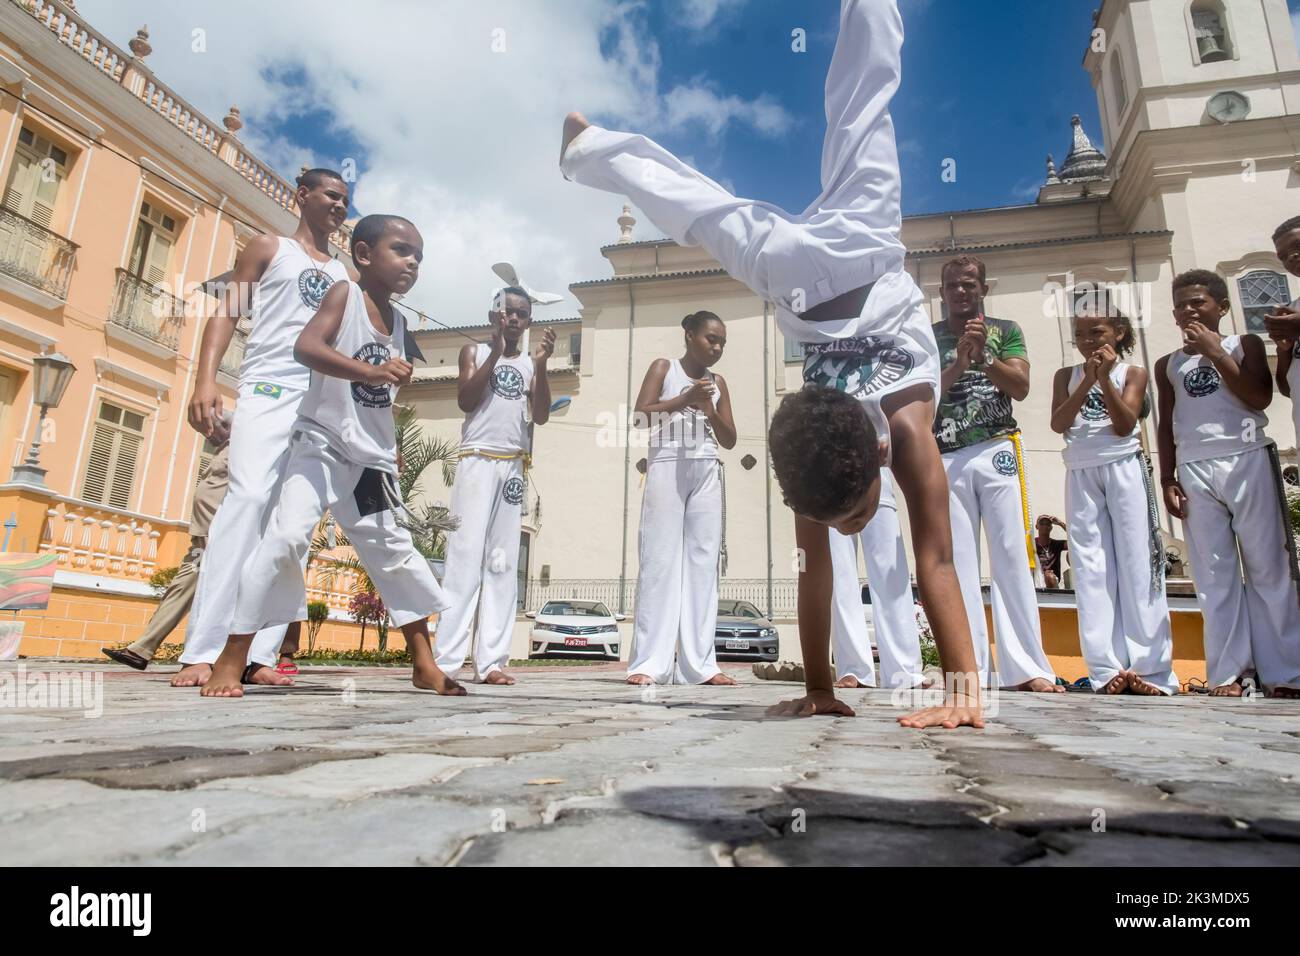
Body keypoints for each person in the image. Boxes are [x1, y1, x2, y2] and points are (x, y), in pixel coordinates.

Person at [560, 0, 982, 729]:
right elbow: (925, 562)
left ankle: (592, 148)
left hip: (860, 251)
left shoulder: (867, 443)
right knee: (711, 207)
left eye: (847, 515)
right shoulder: (853, 446)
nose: (851, 529)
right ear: (872, 454)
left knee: (862, 102)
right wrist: (946, 695)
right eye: (853, 515)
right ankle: (590, 149)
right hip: (804, 275)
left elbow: (893, 564)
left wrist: (955, 694)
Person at [201, 215, 464, 698]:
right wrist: (371, 370)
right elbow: (306, 348)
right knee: (283, 538)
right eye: (402, 251)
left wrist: (394, 434)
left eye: (419, 257)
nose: (412, 263)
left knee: (395, 553)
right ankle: (232, 654)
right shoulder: (344, 296)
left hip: (370, 462)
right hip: (319, 447)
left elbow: (383, 395)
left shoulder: (401, 322)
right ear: (363, 255)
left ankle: (424, 664)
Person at [173, 168, 352, 688]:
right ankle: (202, 649)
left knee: (290, 528)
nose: (340, 207)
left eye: (345, 200)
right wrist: (206, 380)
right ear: (303, 196)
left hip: (317, 403)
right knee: (246, 502)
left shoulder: (346, 274)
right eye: (331, 196)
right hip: (267, 389)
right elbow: (225, 314)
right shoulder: (268, 247)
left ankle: (258, 654)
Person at [1156, 269, 1300, 698]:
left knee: (1268, 568)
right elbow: (1166, 424)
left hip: (1247, 457)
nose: (1188, 310)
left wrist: (1216, 352)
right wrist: (1167, 476)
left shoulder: (1245, 344)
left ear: (1221, 306)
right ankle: (1231, 672)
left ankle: (1286, 673)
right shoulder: (1169, 363)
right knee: (1214, 575)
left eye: (1197, 302)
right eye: (1180, 304)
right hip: (1195, 468)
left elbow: (1258, 397)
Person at [932, 255, 1060, 693]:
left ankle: (1026, 668)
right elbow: (926, 396)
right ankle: (970, 671)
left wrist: (983, 355)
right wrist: (957, 363)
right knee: (958, 564)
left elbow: (1020, 387)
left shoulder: (1006, 330)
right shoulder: (927, 338)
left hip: (998, 447)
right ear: (942, 291)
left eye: (969, 284)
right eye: (952, 285)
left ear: (983, 289)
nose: (960, 292)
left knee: (1011, 557)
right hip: (946, 454)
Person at [1050, 302, 1177, 695]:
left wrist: (1105, 379)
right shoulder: (1066, 375)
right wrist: (1087, 380)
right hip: (1081, 469)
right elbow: (1058, 423)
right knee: (1090, 567)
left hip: (1123, 465)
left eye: (1097, 332)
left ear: (1118, 332)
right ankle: (1105, 669)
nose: (1088, 341)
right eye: (1082, 333)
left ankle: (1152, 670)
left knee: (1138, 562)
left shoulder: (1132, 373)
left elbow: (1125, 425)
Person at [434, 287, 555, 685]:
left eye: (522, 314)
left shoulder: (531, 365)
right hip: (476, 460)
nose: (515, 319)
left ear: (529, 321)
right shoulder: (473, 353)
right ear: (494, 315)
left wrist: (543, 365)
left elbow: (539, 416)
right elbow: (466, 400)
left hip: (513, 467)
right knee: (464, 556)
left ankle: (492, 662)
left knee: (502, 565)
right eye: (508, 313)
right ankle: (447, 661)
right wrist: (496, 348)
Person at [628, 311, 738, 686]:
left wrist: (708, 408)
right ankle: (649, 663)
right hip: (667, 465)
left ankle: (700, 666)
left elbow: (730, 439)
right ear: (689, 334)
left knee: (703, 564)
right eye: (711, 338)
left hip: (707, 467)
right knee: (659, 561)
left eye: (722, 341)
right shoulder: (664, 368)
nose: (717, 347)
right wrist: (683, 399)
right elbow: (640, 419)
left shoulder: (718, 381)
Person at [102, 413, 234, 670]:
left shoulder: (247, 440)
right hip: (204, 532)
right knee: (182, 585)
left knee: (195, 585)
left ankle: (152, 649)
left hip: (216, 533)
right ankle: (142, 648)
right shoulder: (229, 444)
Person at [828, 469, 926, 689]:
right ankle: (854, 670)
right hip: (825, 463)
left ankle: (905, 670)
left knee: (891, 571)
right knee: (839, 572)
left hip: (873, 463)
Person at [1034, 516, 1068, 590]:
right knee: (1048, 576)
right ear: (1037, 526)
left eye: (1047, 524)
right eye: (1042, 524)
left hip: (1052, 580)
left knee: (1049, 576)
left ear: (1051, 528)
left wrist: (1060, 523)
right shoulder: (1031, 544)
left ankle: (1054, 597)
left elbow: (1075, 542)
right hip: (1036, 579)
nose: (1045, 526)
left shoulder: (1056, 544)